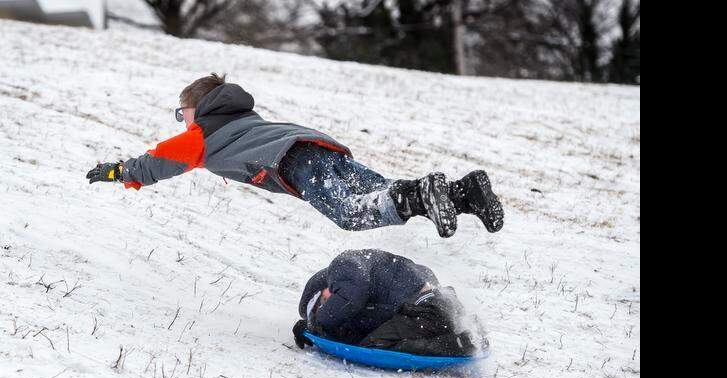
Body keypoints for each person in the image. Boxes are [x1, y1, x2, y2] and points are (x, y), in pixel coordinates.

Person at [86, 74, 504, 238]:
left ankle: (425, 193)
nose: (183, 121)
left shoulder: (202, 135)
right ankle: (465, 193)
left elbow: (156, 162)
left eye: (184, 112)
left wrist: (119, 172)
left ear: (199, 108)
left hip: (294, 162)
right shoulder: (242, 118)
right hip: (316, 147)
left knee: (351, 213)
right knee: (379, 191)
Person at [293, 249, 486, 357]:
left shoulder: (344, 266)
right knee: (375, 339)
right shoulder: (375, 272)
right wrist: (315, 331)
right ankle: (467, 330)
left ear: (323, 287)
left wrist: (316, 324)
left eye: (323, 303)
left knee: (374, 347)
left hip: (427, 310)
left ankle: (457, 344)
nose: (327, 308)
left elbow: (350, 298)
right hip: (442, 306)